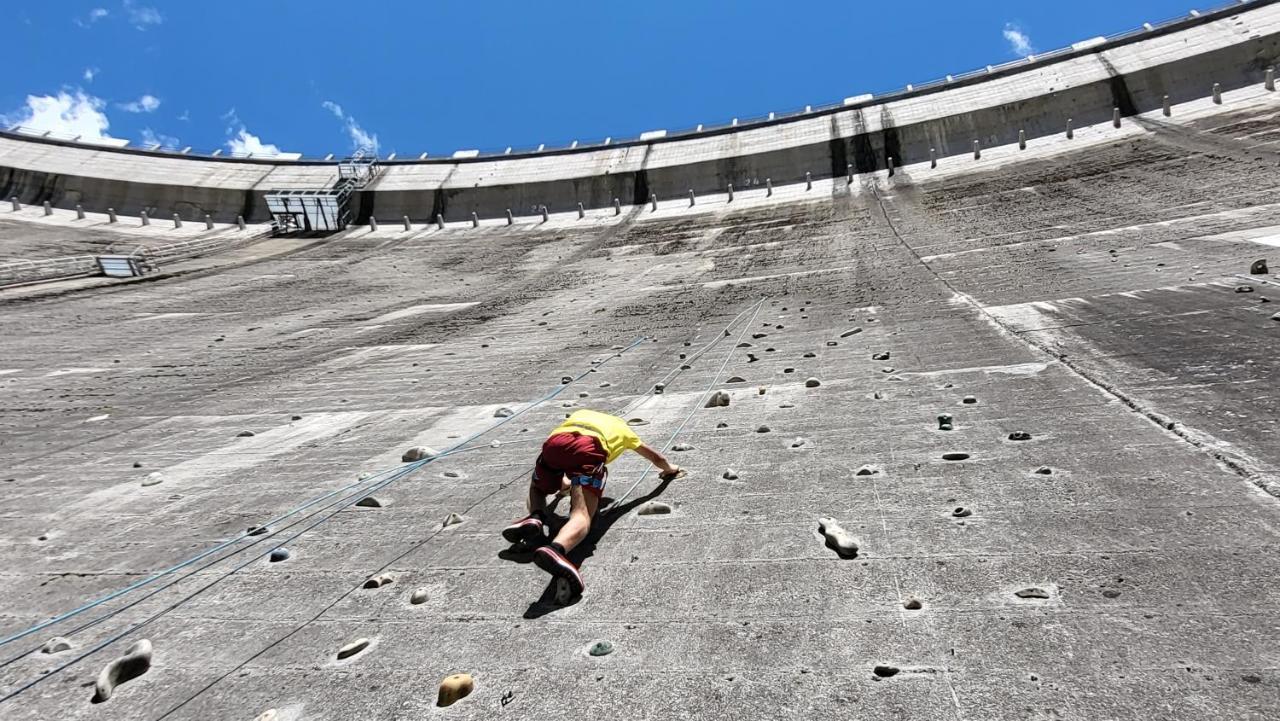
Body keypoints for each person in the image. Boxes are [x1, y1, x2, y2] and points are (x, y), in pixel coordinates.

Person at [502, 408, 682, 596]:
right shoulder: (623, 429)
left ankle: (536, 516)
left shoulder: (581, 413)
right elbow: (656, 457)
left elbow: (567, 457)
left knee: (538, 487)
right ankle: (555, 548)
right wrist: (670, 469)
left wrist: (563, 488)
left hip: (555, 443)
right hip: (589, 447)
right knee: (582, 514)